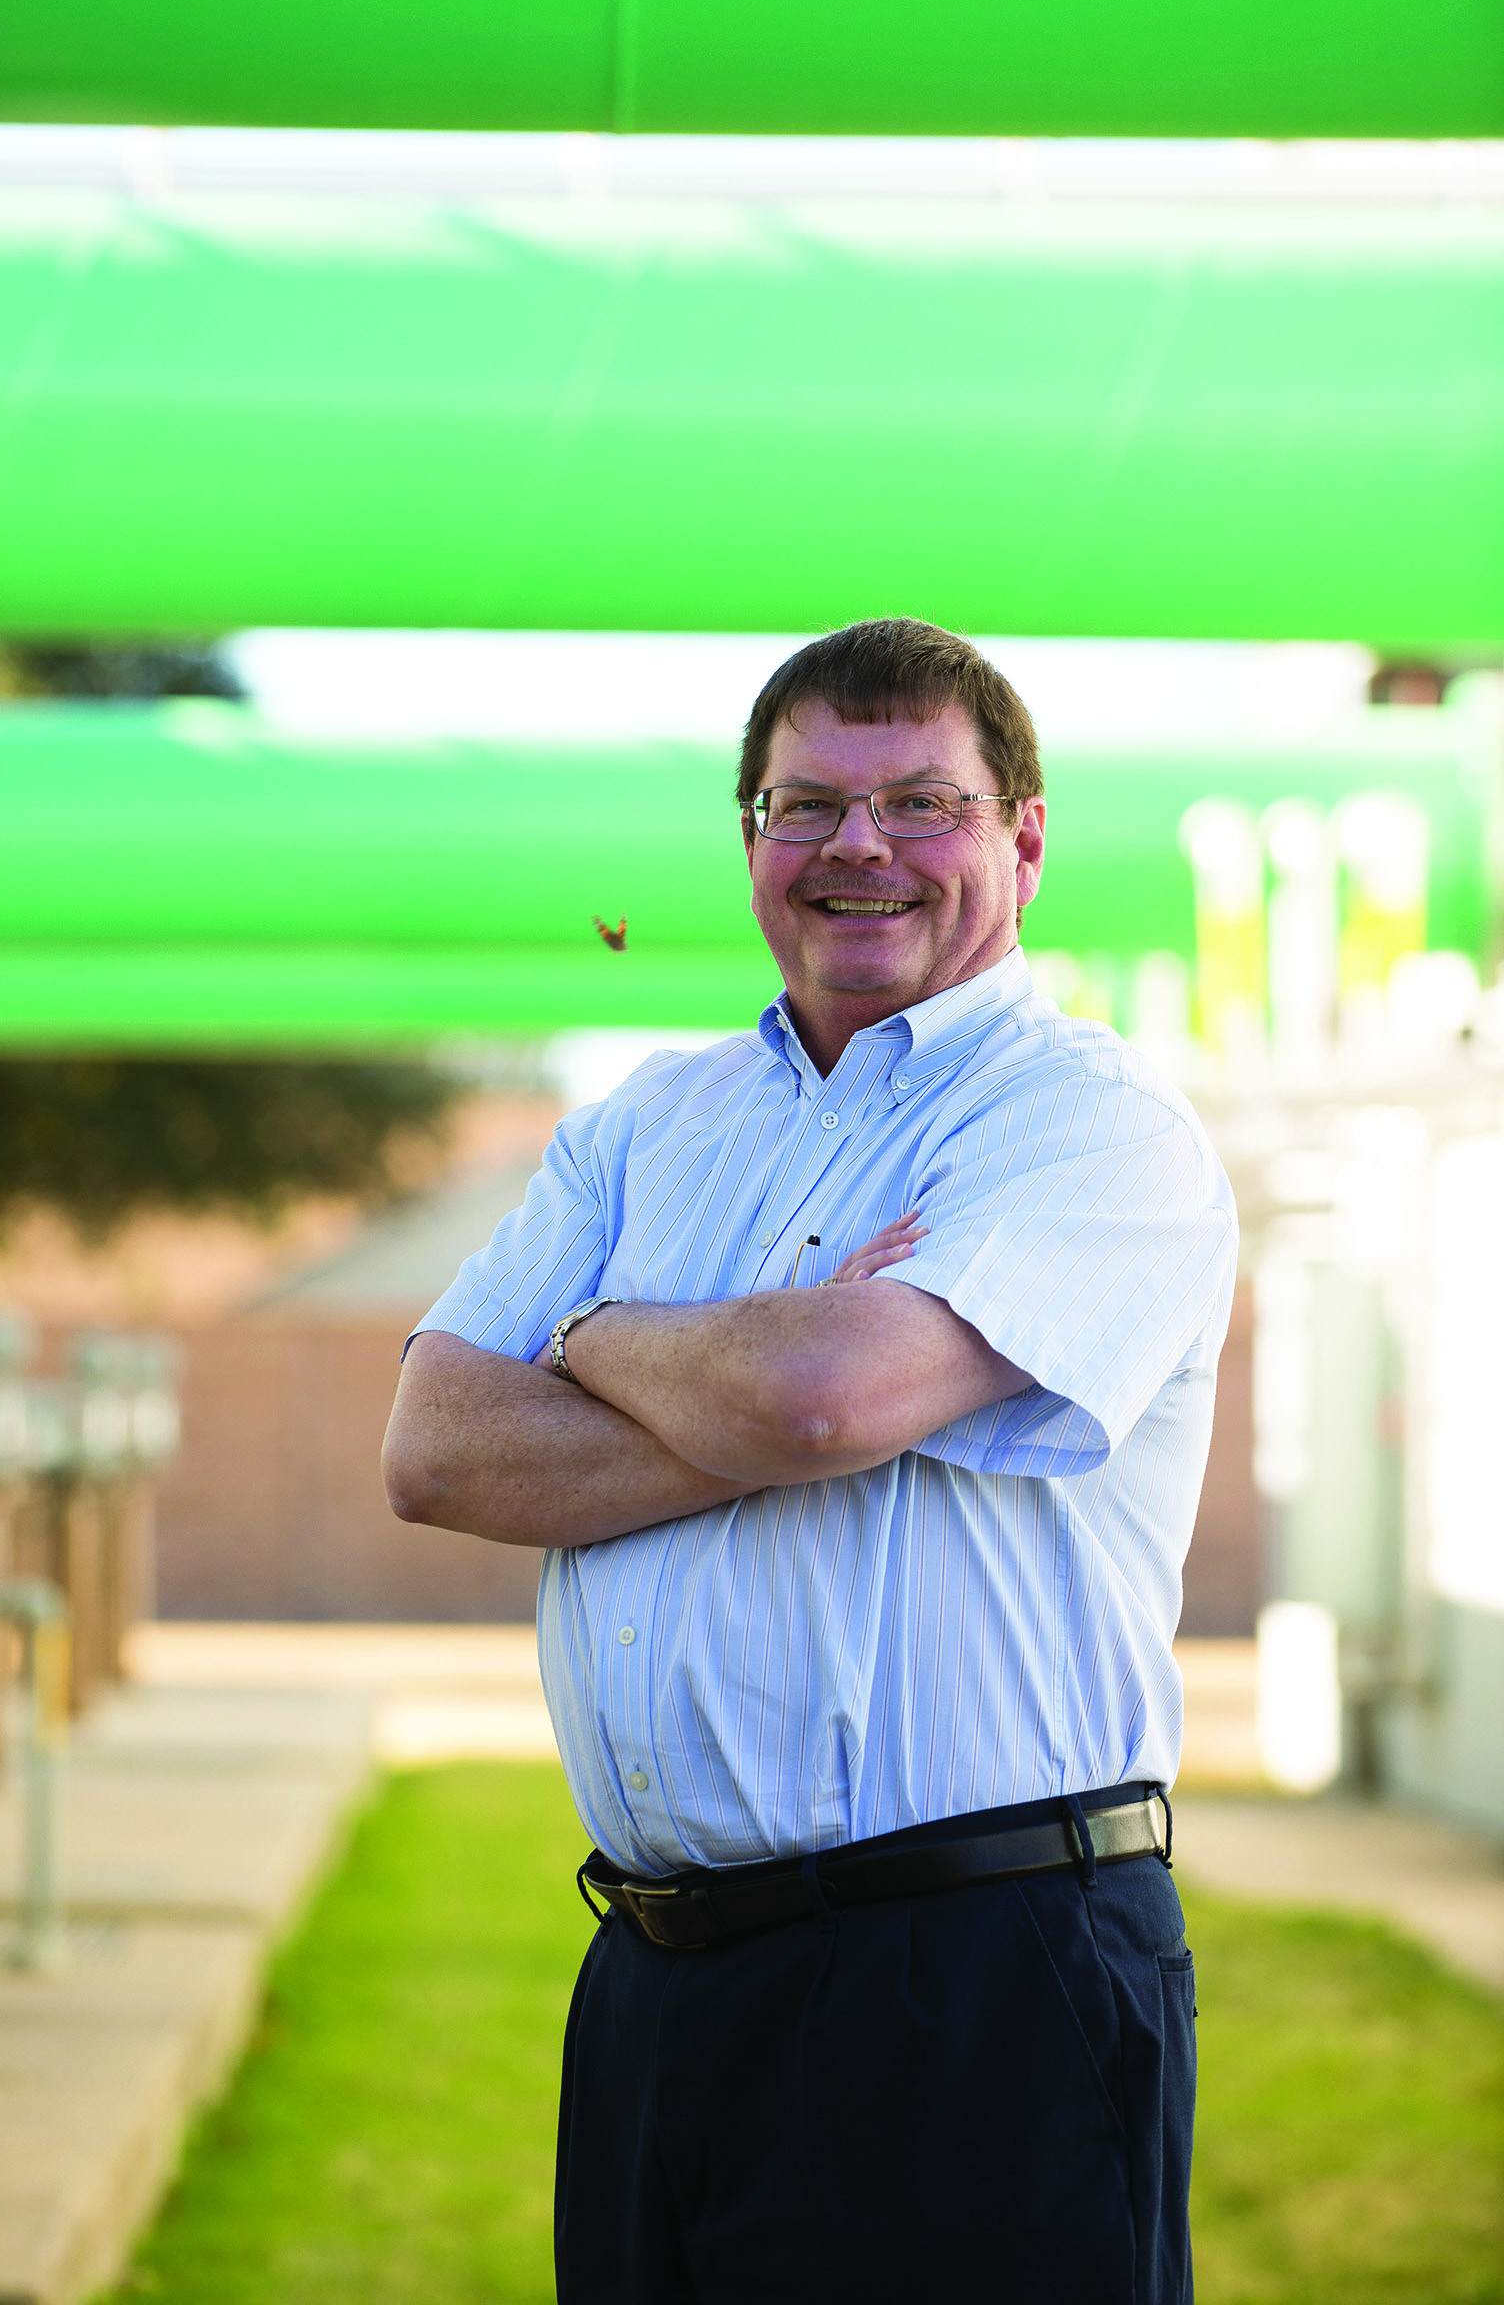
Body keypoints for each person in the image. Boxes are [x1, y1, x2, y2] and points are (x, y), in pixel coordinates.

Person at [383, 615, 1236, 2303]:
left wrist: (591, 1335)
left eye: (921, 802)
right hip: (659, 1982)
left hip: (975, 1980)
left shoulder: (1088, 1126)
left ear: (1025, 839)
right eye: (807, 805)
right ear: (752, 836)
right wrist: (758, 1377)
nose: (860, 845)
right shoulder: (647, 1125)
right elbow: (435, 1451)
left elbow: (826, 1404)